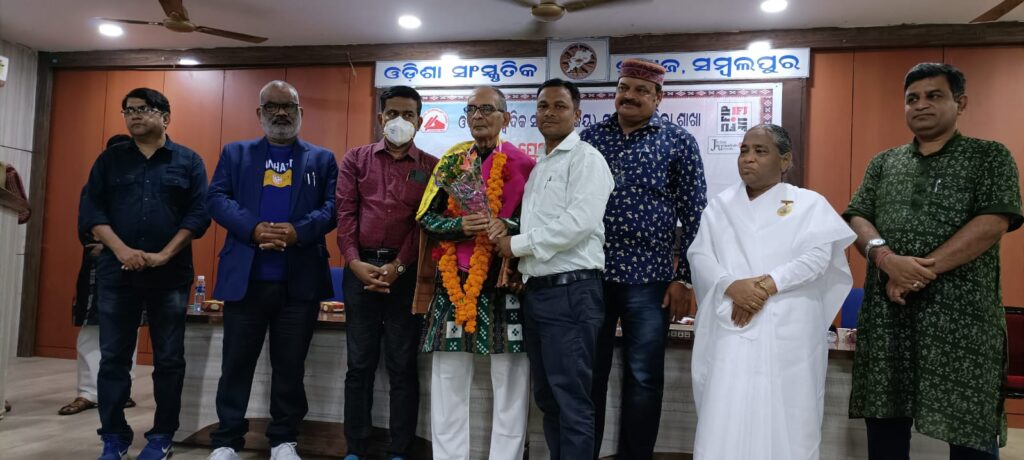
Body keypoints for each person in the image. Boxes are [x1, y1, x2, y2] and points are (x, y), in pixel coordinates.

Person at [845, 63, 1022, 459]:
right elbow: (857, 217)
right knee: (885, 424)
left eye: (933, 96)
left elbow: (993, 221)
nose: (921, 105)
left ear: (961, 103)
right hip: (889, 320)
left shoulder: (989, 156)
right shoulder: (883, 163)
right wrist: (886, 259)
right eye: (912, 98)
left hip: (962, 320)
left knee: (969, 430)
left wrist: (916, 272)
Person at [687, 124, 856, 459]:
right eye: (743, 150)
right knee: (726, 409)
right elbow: (700, 255)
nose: (748, 158)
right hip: (731, 324)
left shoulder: (809, 204)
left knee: (790, 416)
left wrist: (765, 286)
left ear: (785, 160)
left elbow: (817, 258)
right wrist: (732, 285)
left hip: (788, 327)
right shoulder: (719, 207)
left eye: (760, 151)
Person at [580, 58, 707, 459]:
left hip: (650, 280)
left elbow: (695, 215)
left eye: (640, 90)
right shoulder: (589, 138)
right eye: (623, 88)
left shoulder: (678, 140)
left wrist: (684, 278)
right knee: (589, 375)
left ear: (658, 97)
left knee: (644, 378)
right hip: (591, 274)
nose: (629, 96)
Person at [206, 80, 338, 460]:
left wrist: (298, 231)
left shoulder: (322, 159)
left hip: (299, 283)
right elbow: (217, 198)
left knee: (290, 367)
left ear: (300, 112)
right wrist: (253, 228)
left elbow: (333, 207)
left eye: (288, 106)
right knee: (236, 365)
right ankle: (227, 441)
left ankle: (283, 440)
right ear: (259, 112)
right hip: (246, 281)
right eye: (272, 106)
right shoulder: (235, 153)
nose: (281, 113)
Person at [79, 88, 211, 460]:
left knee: (168, 359)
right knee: (114, 358)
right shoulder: (110, 160)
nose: (134, 115)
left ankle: (162, 435)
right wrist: (122, 250)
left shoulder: (188, 161)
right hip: (117, 271)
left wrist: (164, 254)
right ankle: (113, 436)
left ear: (165, 117)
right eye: (128, 110)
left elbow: (199, 215)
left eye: (144, 109)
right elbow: (91, 211)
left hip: (170, 274)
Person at [494, 78, 614, 459]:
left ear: (577, 114)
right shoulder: (541, 166)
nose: (549, 113)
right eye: (543, 106)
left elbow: (578, 223)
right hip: (538, 293)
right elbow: (540, 226)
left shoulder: (586, 159)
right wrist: (518, 260)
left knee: (572, 400)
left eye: (560, 106)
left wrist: (516, 245)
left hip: (571, 292)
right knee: (548, 398)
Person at [416, 86, 535, 460]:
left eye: (487, 108)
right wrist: (459, 226)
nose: (478, 116)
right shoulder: (453, 162)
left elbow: (539, 224)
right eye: (471, 110)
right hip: (456, 282)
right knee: (448, 379)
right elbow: (426, 217)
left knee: (511, 380)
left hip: (505, 284)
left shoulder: (525, 165)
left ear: (506, 118)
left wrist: (508, 225)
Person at [335, 85, 437, 460]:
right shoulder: (356, 159)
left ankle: (400, 451)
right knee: (359, 365)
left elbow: (424, 224)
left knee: (402, 365)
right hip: (359, 270)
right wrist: (353, 261)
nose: (400, 121)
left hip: (405, 276)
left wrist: (398, 266)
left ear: (419, 121)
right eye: (392, 113)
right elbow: (345, 213)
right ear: (381, 118)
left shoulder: (431, 166)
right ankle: (355, 449)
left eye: (408, 114)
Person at [61, 134, 138, 417]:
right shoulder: (94, 185)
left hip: (136, 265)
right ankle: (87, 393)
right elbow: (88, 231)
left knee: (128, 330)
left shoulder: (144, 184)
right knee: (91, 330)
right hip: (99, 267)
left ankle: (121, 392)